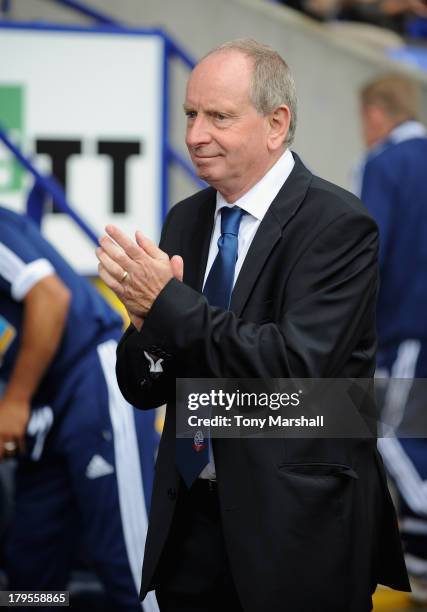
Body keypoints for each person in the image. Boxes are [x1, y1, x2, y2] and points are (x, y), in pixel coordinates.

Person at [97, 39, 409, 612]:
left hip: (296, 535)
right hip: (190, 530)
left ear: (276, 123)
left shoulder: (338, 225)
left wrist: (168, 307)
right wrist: (145, 328)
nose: (194, 134)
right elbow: (144, 388)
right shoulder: (185, 219)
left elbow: (294, 370)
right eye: (191, 114)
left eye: (218, 116)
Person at [0, 205, 159, 612]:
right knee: (30, 577)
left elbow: (50, 299)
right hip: (42, 410)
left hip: (91, 380)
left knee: (129, 571)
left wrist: (13, 402)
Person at [356, 73, 427, 605]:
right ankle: (419, 559)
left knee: (385, 429)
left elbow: (367, 249)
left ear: (378, 113)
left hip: (403, 323)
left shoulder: (384, 163)